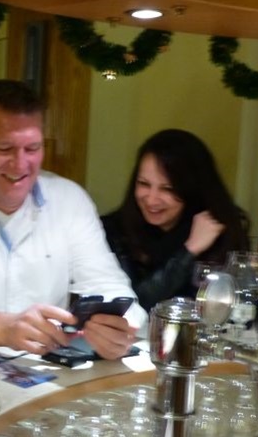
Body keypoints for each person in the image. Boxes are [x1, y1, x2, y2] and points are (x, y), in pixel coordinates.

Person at [0, 79, 146, 360]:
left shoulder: (70, 200)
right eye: (4, 149)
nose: (20, 164)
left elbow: (108, 284)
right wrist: (3, 329)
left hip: (45, 373)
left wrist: (119, 328)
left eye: (32, 149)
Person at [101, 129, 249, 312]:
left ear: (192, 189)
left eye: (168, 189)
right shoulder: (113, 230)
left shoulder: (219, 229)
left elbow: (234, 306)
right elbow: (132, 306)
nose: (152, 199)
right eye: (144, 184)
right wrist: (189, 251)